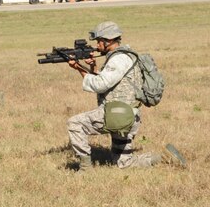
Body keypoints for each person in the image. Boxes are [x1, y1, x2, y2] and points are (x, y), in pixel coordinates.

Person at [66, 21, 185, 172]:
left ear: (108, 41)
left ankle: (85, 168)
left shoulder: (118, 59)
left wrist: (78, 68)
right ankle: (165, 157)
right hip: (128, 116)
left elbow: (100, 85)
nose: (96, 45)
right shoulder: (123, 56)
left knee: (75, 124)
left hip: (117, 115)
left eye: (98, 41)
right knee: (124, 163)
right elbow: (107, 81)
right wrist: (92, 68)